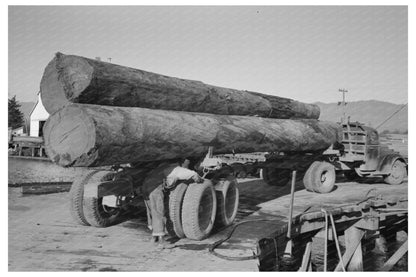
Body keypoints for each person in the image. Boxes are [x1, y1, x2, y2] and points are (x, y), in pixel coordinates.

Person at [142, 158, 202, 248]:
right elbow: (189, 173)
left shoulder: (164, 166)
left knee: (152, 212)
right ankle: (162, 242)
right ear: (183, 162)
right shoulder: (175, 168)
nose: (187, 166)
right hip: (154, 188)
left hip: (145, 186)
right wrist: (198, 177)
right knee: (159, 212)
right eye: (187, 164)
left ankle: (154, 239)